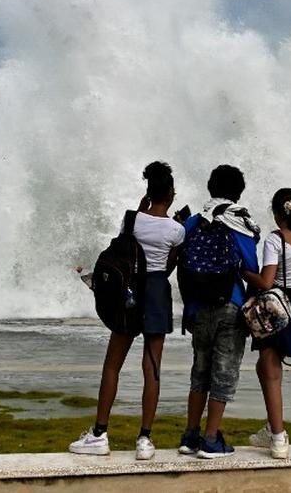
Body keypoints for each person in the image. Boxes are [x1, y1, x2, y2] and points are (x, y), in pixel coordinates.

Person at [70, 161, 186, 460]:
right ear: (170, 194)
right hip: (157, 294)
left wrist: (138, 209)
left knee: (112, 365)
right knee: (152, 369)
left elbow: (125, 249)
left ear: (148, 192)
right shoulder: (176, 229)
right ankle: (144, 440)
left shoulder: (131, 219)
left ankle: (99, 433)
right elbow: (170, 265)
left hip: (128, 293)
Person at [177, 164, 262, 459]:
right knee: (224, 373)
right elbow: (252, 269)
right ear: (238, 192)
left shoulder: (193, 222)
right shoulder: (239, 223)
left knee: (200, 371)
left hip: (197, 308)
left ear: (210, 187)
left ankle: (190, 436)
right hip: (230, 305)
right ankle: (211, 439)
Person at [246, 188, 291, 459]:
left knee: (271, 368)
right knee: (267, 366)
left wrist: (243, 271)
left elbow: (266, 282)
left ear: (278, 214)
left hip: (276, 305)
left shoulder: (275, 240)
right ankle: (272, 426)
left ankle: (277, 437)